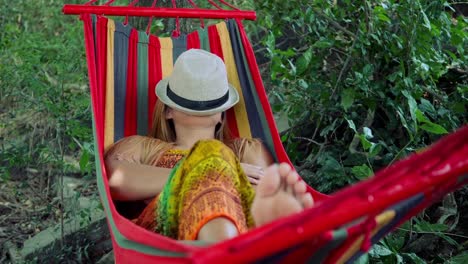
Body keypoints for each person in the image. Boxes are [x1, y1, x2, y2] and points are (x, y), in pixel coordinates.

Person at [105, 49, 314, 243]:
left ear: (221, 116)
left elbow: (262, 192)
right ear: (167, 111)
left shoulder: (246, 150)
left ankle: (234, 243)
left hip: (242, 229)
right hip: (167, 236)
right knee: (213, 164)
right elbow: (115, 181)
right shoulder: (142, 147)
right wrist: (208, 171)